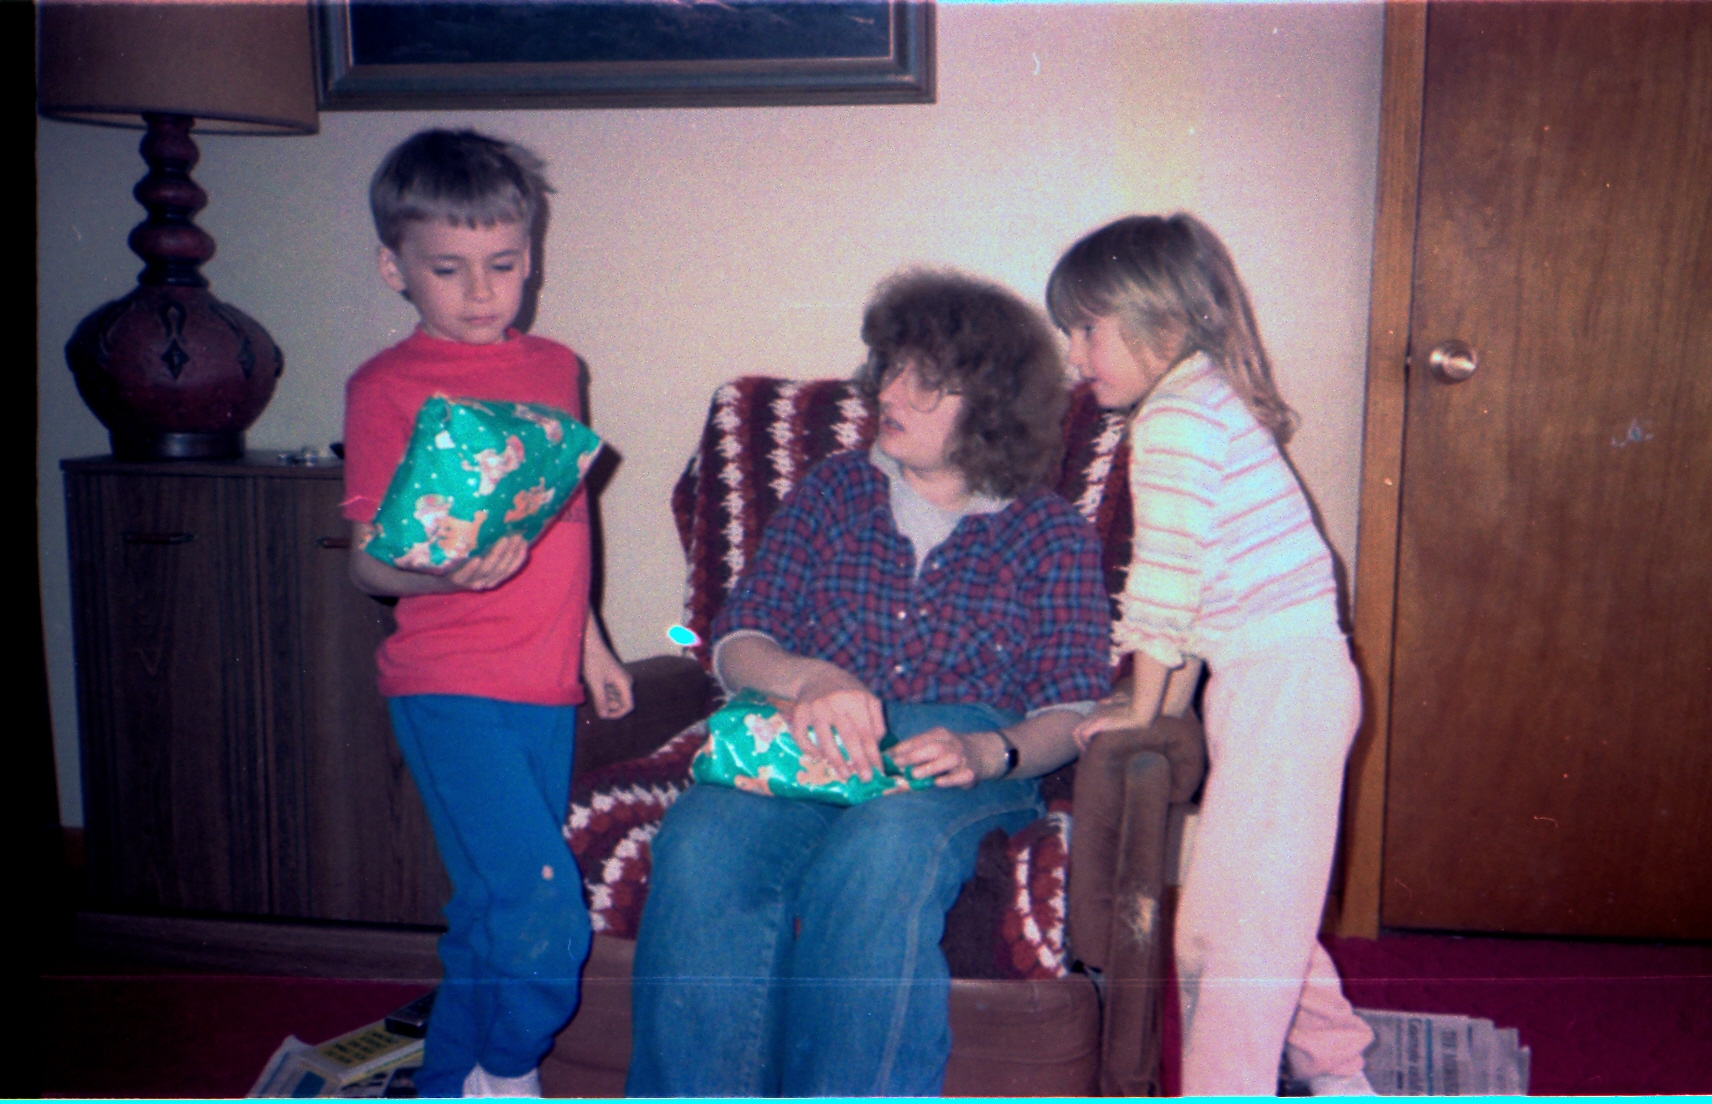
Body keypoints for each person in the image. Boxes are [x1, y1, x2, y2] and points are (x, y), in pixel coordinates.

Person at [625, 269, 1112, 1097]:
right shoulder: (834, 491)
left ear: (992, 405)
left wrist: (989, 751)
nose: (889, 393)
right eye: (891, 368)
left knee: (881, 853)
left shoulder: (1050, 532)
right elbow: (735, 642)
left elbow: (1072, 705)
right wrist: (807, 677)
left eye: (926, 382)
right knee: (701, 846)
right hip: (804, 740)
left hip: (953, 759)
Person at [1048, 213, 1376, 1096]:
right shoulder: (1198, 399)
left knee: (1233, 940)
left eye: (1087, 330)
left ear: (1161, 322)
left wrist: (1141, 702)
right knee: (1259, 912)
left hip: (1281, 689)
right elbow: (1197, 602)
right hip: (1273, 683)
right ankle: (1341, 1077)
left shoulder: (1176, 421)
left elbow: (1165, 582)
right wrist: (1155, 700)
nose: (1074, 356)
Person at [341, 129, 634, 1098]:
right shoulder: (385, 387)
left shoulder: (557, 368)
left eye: (503, 265)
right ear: (395, 268)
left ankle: (449, 1084)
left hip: (543, 684)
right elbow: (370, 567)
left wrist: (591, 642)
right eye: (448, 269)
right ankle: (508, 1072)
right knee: (544, 907)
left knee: (485, 912)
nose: (480, 292)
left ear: (531, 258)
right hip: (448, 685)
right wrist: (453, 580)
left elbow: (566, 516)